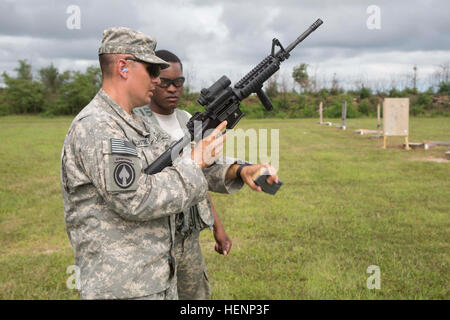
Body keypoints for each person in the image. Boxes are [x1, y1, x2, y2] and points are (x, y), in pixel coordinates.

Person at [61, 27, 279, 300]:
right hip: (122, 285)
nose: (157, 80)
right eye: (152, 71)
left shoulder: (134, 124)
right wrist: (193, 162)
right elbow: (135, 199)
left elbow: (182, 162)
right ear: (123, 67)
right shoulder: (99, 126)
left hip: (155, 277)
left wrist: (243, 169)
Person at [133, 49, 231, 300]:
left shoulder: (187, 119)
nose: (173, 89)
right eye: (165, 82)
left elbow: (197, 177)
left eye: (179, 82)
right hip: (156, 239)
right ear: (152, 81)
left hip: (189, 238)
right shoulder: (136, 123)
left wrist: (217, 227)